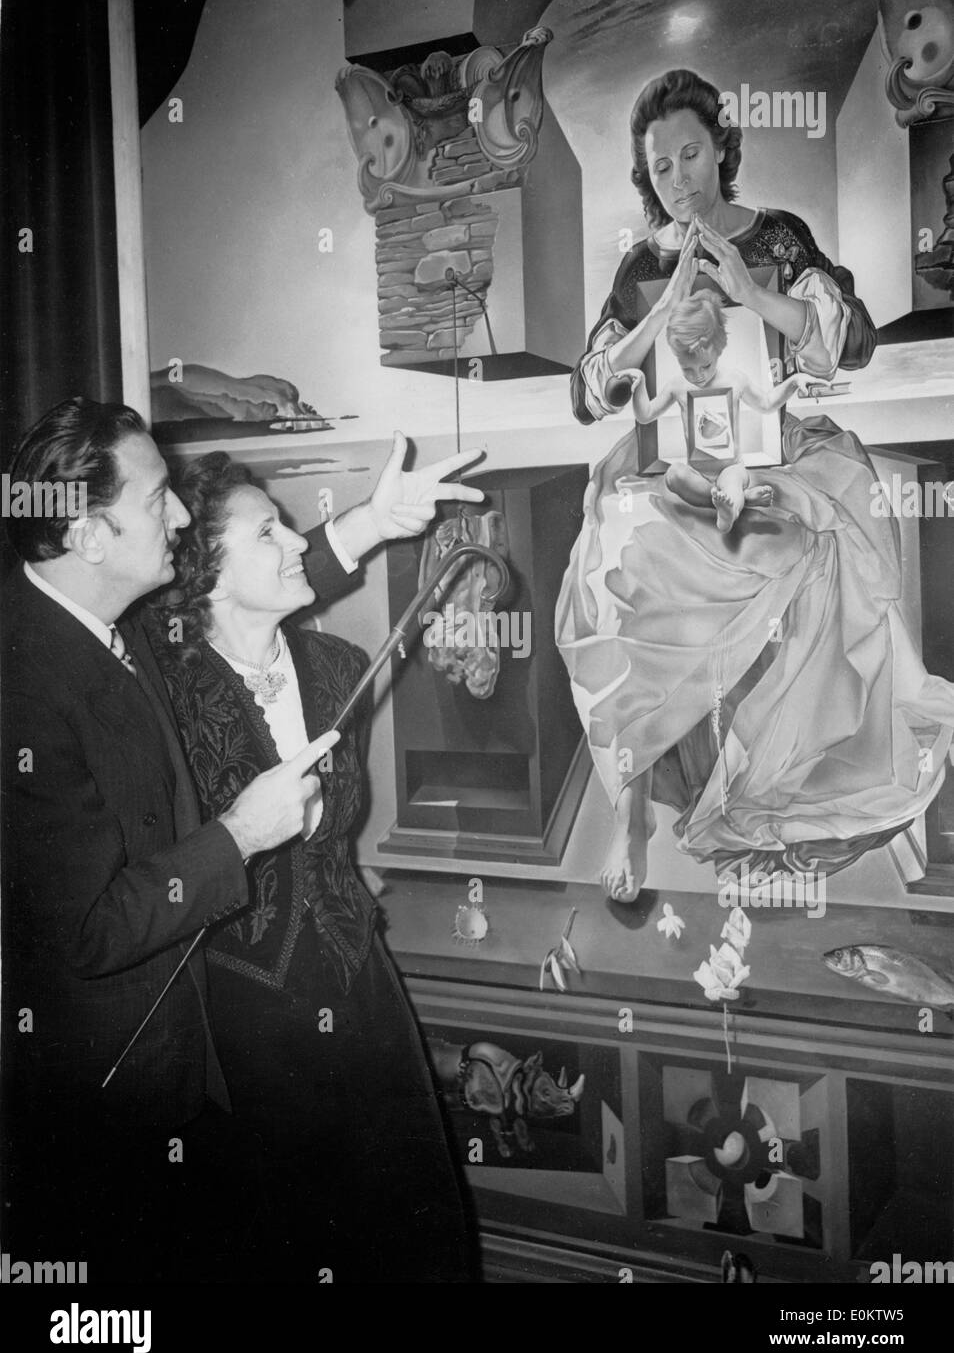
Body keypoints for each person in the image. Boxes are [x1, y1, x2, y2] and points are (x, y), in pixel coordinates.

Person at [0, 397, 482, 1280]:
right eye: (157, 501)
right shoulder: (63, 674)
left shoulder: (127, 634)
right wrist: (239, 836)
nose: (177, 516)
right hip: (201, 1043)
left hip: (357, 991)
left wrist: (373, 523)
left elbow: (257, 593)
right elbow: (87, 928)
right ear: (90, 535)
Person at [557, 68, 954, 904]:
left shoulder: (776, 236)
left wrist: (750, 294)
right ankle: (631, 808)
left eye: (690, 154)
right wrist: (655, 322)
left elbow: (849, 341)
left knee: (810, 542)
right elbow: (593, 387)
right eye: (659, 166)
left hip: (776, 453)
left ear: (721, 149)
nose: (677, 179)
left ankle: (783, 784)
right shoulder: (641, 262)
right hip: (674, 462)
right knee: (618, 553)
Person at [147, 453, 477, 1283]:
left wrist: (338, 868)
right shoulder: (164, 688)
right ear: (205, 571)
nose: (294, 539)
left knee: (409, 1225)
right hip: (249, 1014)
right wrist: (362, 525)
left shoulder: (335, 669)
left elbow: (331, 836)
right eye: (268, 531)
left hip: (362, 983)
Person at [631, 285, 812, 531]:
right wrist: (639, 384)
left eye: (705, 366)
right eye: (688, 369)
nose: (697, 375)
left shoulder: (734, 380)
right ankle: (739, 502)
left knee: (732, 482)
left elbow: (767, 404)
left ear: (719, 349)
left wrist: (792, 382)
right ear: (677, 359)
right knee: (674, 475)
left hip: (731, 468)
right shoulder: (677, 386)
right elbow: (646, 415)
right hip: (698, 475)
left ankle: (728, 512)